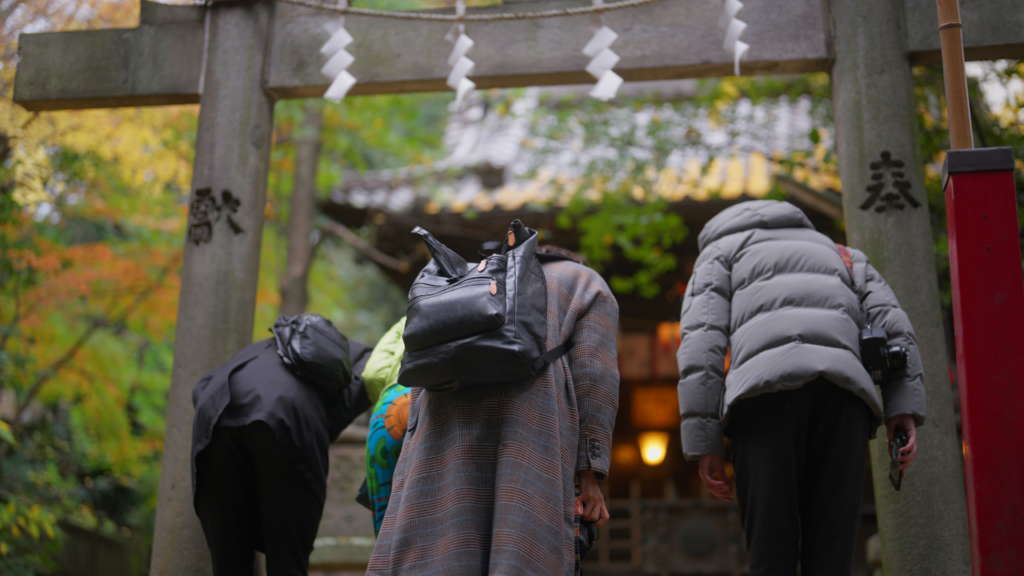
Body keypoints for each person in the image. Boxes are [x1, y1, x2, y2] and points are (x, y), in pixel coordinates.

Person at [676, 200, 925, 575]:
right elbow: (895, 327)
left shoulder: (719, 253)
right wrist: (901, 407)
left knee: (771, 553)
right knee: (833, 554)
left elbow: (701, 346)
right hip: (844, 395)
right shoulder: (841, 254)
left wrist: (705, 443)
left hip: (763, 400)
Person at [367, 249, 619, 576]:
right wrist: (590, 475)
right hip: (529, 423)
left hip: (440, 427)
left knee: (437, 547)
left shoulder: (468, 278)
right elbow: (594, 378)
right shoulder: (586, 282)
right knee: (518, 546)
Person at [190, 319, 372, 576]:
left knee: (227, 565)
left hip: (217, 408)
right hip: (287, 414)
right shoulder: (359, 364)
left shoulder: (264, 346)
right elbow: (332, 420)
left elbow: (201, 388)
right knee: (288, 562)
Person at [360, 316, 411, 534]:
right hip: (450, 405)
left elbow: (372, 374)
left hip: (391, 407)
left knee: (387, 531)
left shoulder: (415, 312)